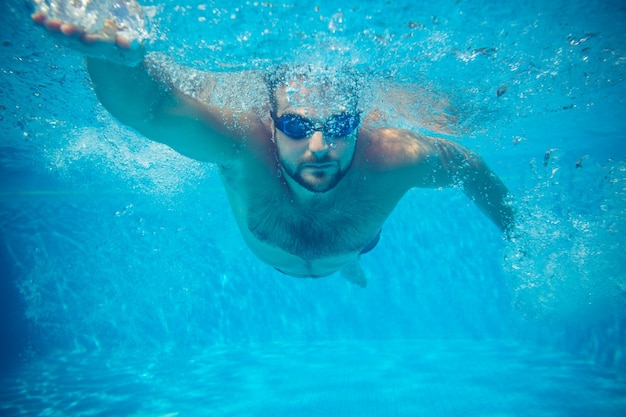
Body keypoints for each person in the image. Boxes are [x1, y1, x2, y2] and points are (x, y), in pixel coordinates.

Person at [32, 1, 514, 287]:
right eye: (299, 127)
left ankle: (350, 267)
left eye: (341, 123)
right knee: (347, 258)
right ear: (273, 120)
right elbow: (153, 110)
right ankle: (348, 268)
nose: (321, 145)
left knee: (351, 259)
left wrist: (516, 233)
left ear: (360, 121)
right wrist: (113, 56)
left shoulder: (394, 160)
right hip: (292, 260)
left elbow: (469, 167)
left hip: (352, 246)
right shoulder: (243, 146)